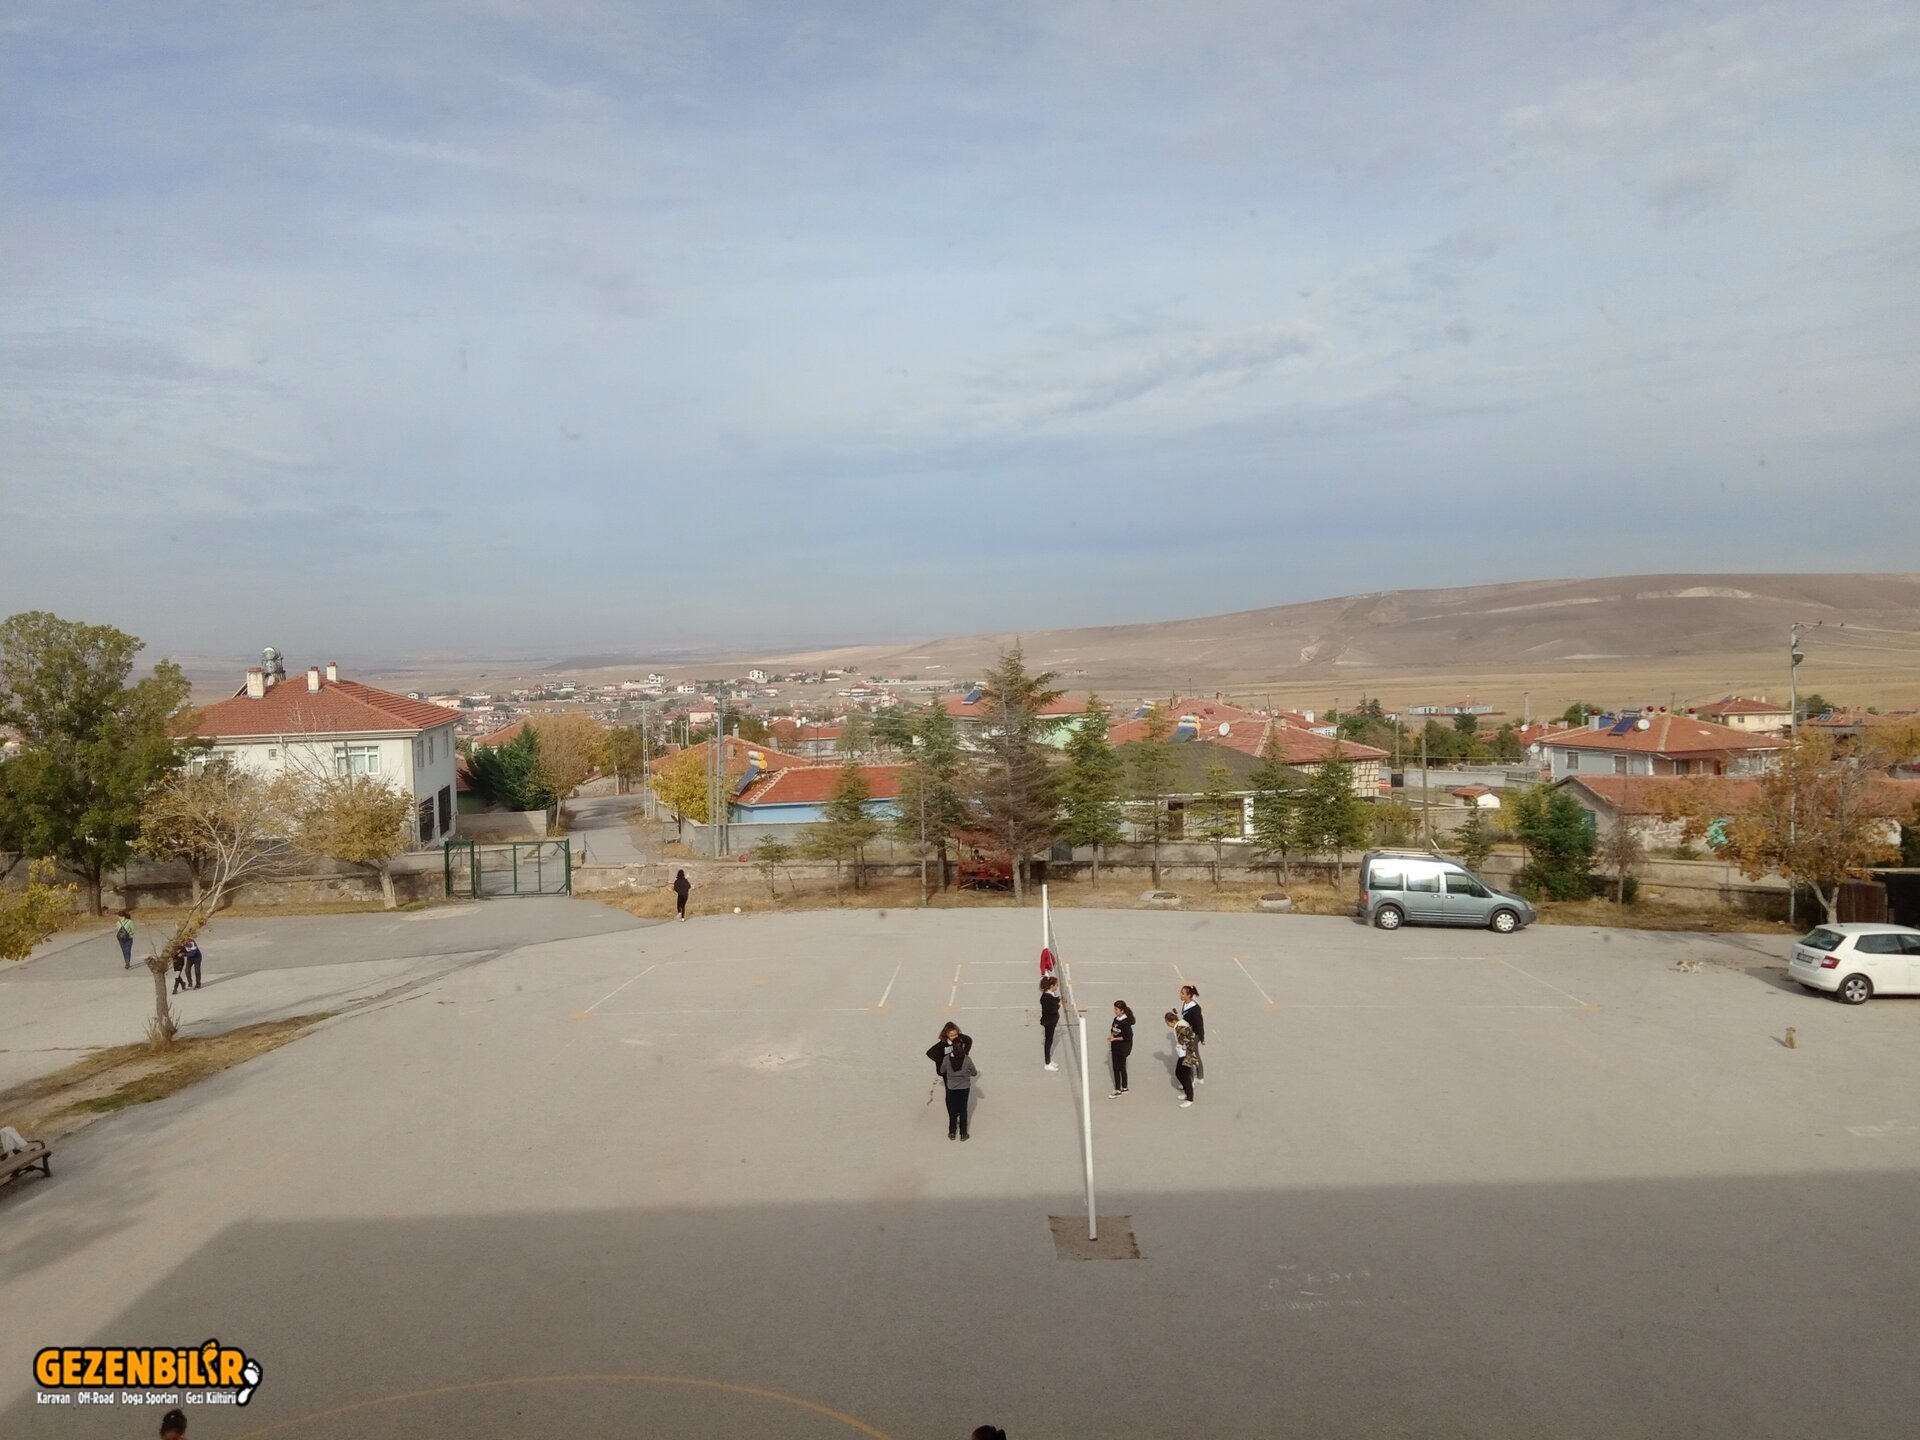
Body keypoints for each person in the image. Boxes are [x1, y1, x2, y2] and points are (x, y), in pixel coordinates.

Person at [939, 1036, 978, 1140]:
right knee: (963, 1109)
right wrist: (966, 1073)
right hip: (964, 1087)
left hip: (951, 1087)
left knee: (952, 1110)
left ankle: (952, 1132)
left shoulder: (947, 1058)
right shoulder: (967, 1059)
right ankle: (963, 1133)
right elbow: (974, 1073)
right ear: (962, 1047)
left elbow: (942, 1070)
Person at [1165, 1010, 1199, 1107]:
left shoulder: (1180, 1027)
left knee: (1184, 1076)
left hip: (1186, 1054)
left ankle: (1190, 1099)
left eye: (1167, 1023)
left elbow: (1191, 1036)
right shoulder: (1180, 1024)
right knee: (1179, 1073)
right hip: (1182, 1054)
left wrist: (1186, 1046)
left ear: (1172, 1021)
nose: (1167, 1025)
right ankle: (1186, 1091)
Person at [1107, 1001, 1135, 1096]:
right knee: (1117, 1068)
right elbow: (1113, 1030)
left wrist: (1114, 1038)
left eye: (1116, 1009)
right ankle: (1121, 1087)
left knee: (1120, 1068)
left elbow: (1127, 1037)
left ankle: (1119, 1089)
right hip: (1115, 1047)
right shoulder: (1116, 1019)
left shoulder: (1126, 1022)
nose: (1114, 1011)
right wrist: (1111, 1035)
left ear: (1122, 1011)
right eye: (1114, 1009)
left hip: (1122, 1048)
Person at [1179, 984, 1205, 1083]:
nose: (1180, 995)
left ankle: (1192, 1080)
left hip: (1194, 1034)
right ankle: (1199, 1077)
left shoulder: (1195, 1009)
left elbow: (1200, 1024)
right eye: (1181, 993)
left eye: (1183, 993)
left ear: (1189, 995)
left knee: (1190, 1056)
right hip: (1188, 1033)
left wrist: (1202, 1038)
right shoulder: (1186, 1004)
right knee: (1194, 1055)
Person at [1039, 975, 1061, 1071]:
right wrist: (1058, 1004)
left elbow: (1053, 1001)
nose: (1057, 986)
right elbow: (1052, 1009)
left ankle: (1049, 1060)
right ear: (1051, 986)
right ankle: (1047, 1063)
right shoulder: (1046, 997)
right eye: (1056, 985)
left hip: (1051, 1021)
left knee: (1050, 1041)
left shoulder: (1049, 995)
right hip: (1049, 1022)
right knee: (1048, 1041)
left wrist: (1058, 999)